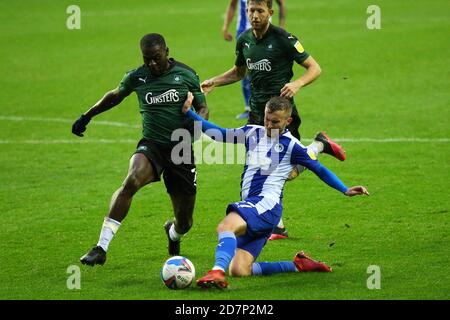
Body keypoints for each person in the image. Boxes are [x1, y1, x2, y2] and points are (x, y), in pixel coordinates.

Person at [181, 93, 368, 289]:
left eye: (275, 122)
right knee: (239, 270)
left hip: (266, 204)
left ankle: (216, 272)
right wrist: (190, 114)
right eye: (267, 120)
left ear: (288, 121)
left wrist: (345, 189)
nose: (269, 126)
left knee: (225, 226)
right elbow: (218, 133)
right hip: (257, 207)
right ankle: (298, 265)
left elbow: (319, 169)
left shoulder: (292, 146)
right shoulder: (252, 132)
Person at [203, 0, 345, 240]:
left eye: (260, 11)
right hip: (258, 115)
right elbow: (239, 72)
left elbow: (314, 68)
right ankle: (277, 225)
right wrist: (214, 81)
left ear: (270, 12)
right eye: (250, 10)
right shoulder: (245, 40)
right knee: (263, 169)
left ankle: (318, 146)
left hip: (281, 116)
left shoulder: (284, 39)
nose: (255, 15)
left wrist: (297, 83)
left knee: (283, 171)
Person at [72, 33, 209, 266]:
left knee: (185, 221)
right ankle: (101, 247)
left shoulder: (186, 74)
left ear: (166, 50)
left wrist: (196, 126)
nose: (152, 64)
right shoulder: (138, 77)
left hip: (181, 148)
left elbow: (203, 106)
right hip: (152, 144)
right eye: (147, 60)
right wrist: (87, 116)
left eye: (156, 58)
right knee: (131, 180)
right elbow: (114, 96)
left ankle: (173, 232)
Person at [222, 0, 286, 119]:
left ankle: (271, 106)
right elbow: (232, 5)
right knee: (246, 69)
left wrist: (281, 28)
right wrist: (225, 27)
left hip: (266, 34)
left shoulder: (281, 36)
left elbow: (281, 3)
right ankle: (249, 107)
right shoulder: (243, 37)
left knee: (264, 69)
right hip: (242, 34)